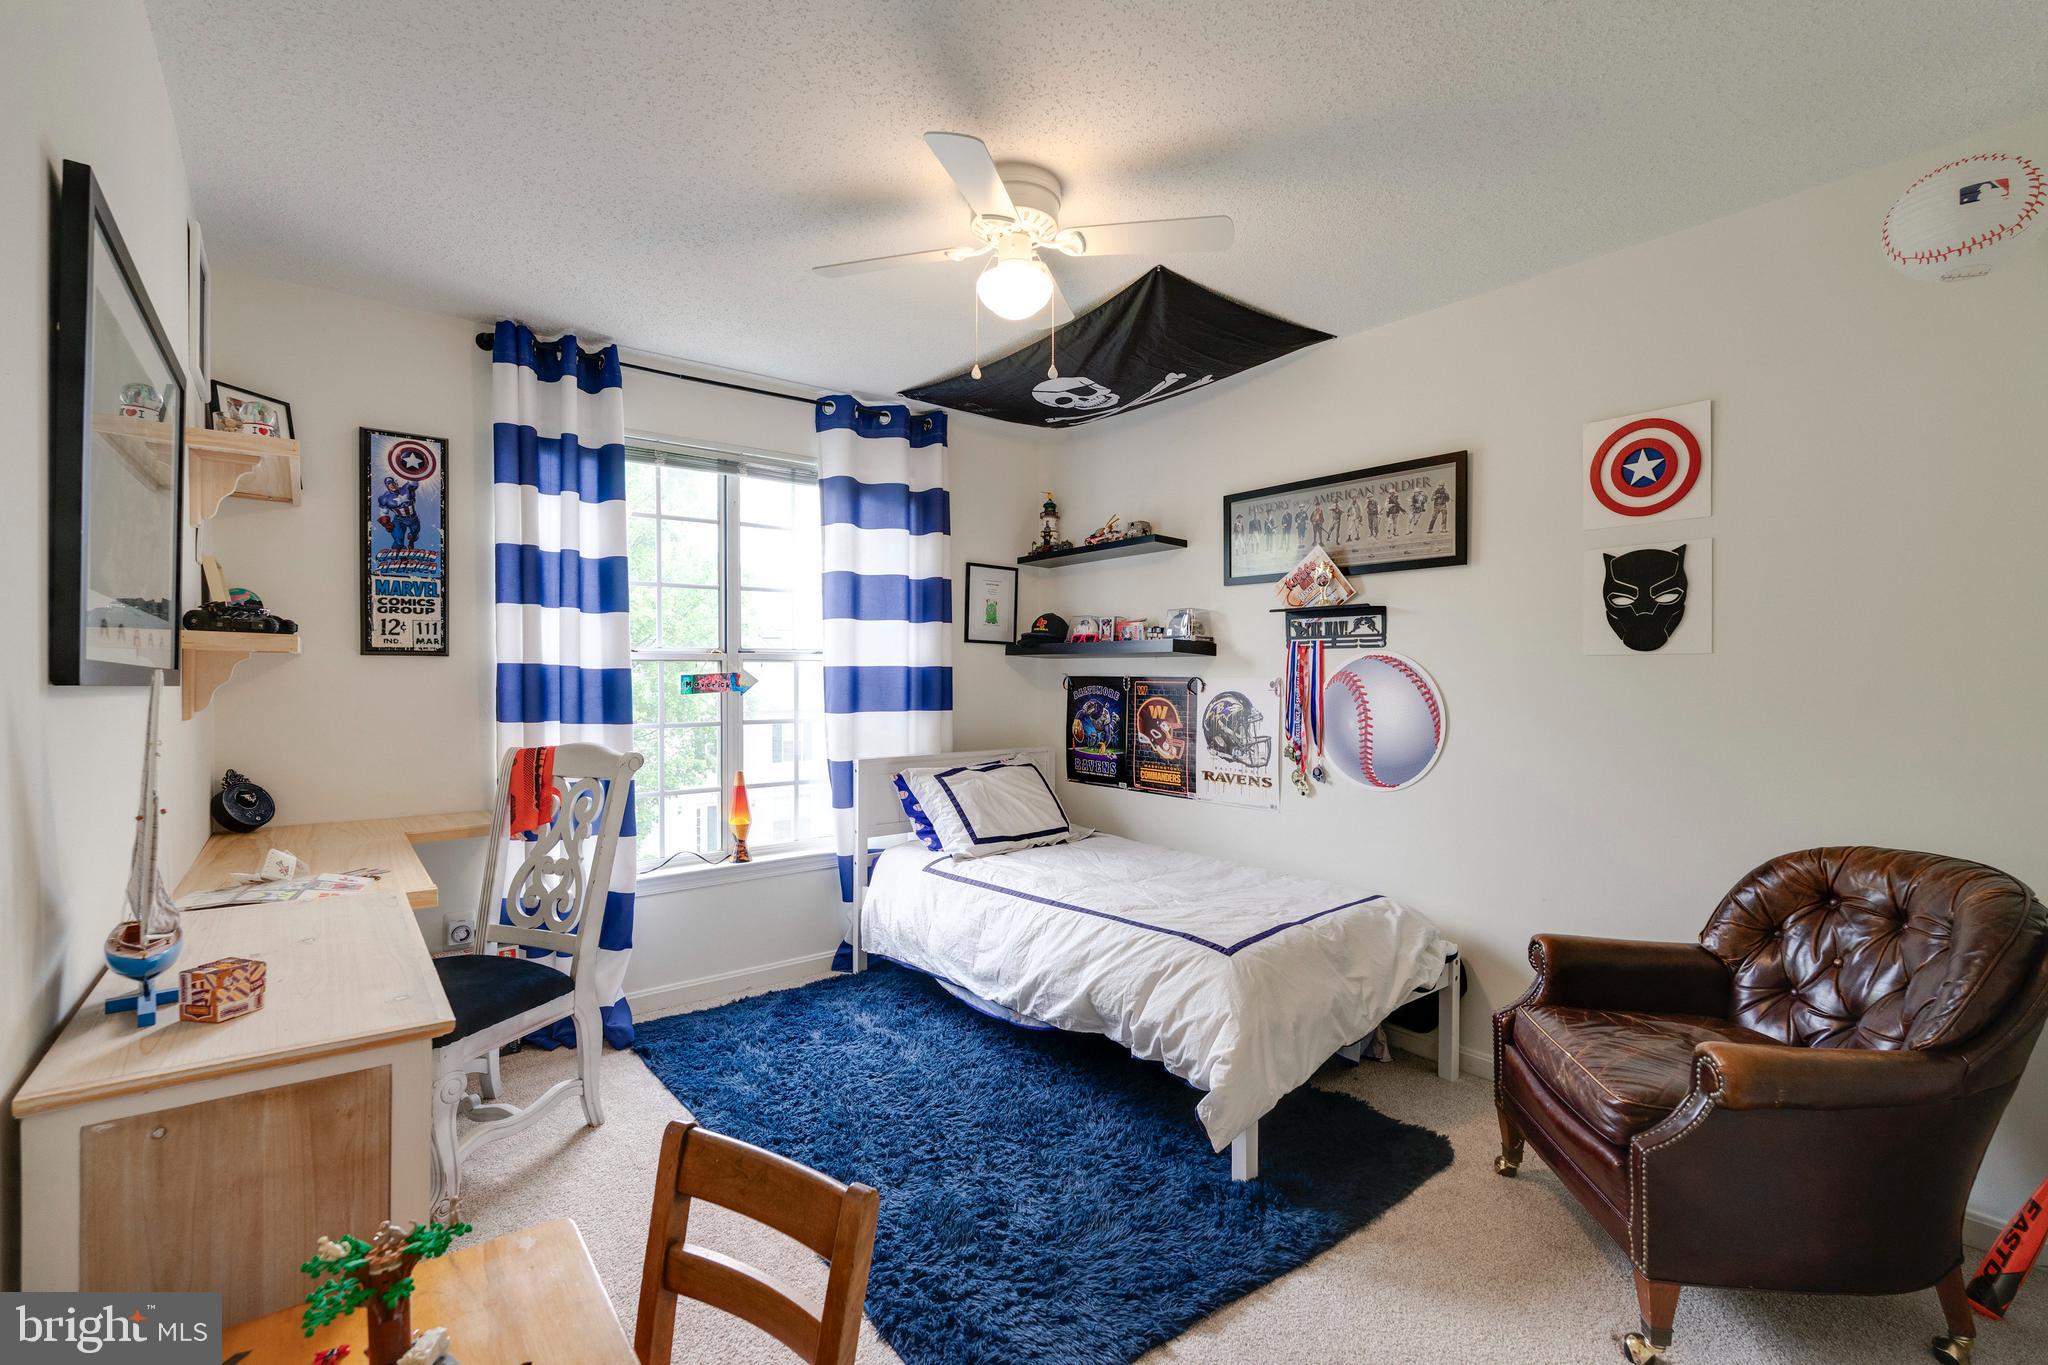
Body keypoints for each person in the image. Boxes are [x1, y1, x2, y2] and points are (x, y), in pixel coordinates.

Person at [377, 476, 421, 549]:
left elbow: (413, 481)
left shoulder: (406, 488)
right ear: (387, 486)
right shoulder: (385, 498)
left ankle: (411, 542)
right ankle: (400, 555)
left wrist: (410, 471)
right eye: (389, 484)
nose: (392, 485)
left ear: (396, 482)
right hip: (399, 520)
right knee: (398, 540)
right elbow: (383, 512)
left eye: (392, 482)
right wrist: (386, 523)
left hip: (413, 518)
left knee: (414, 534)